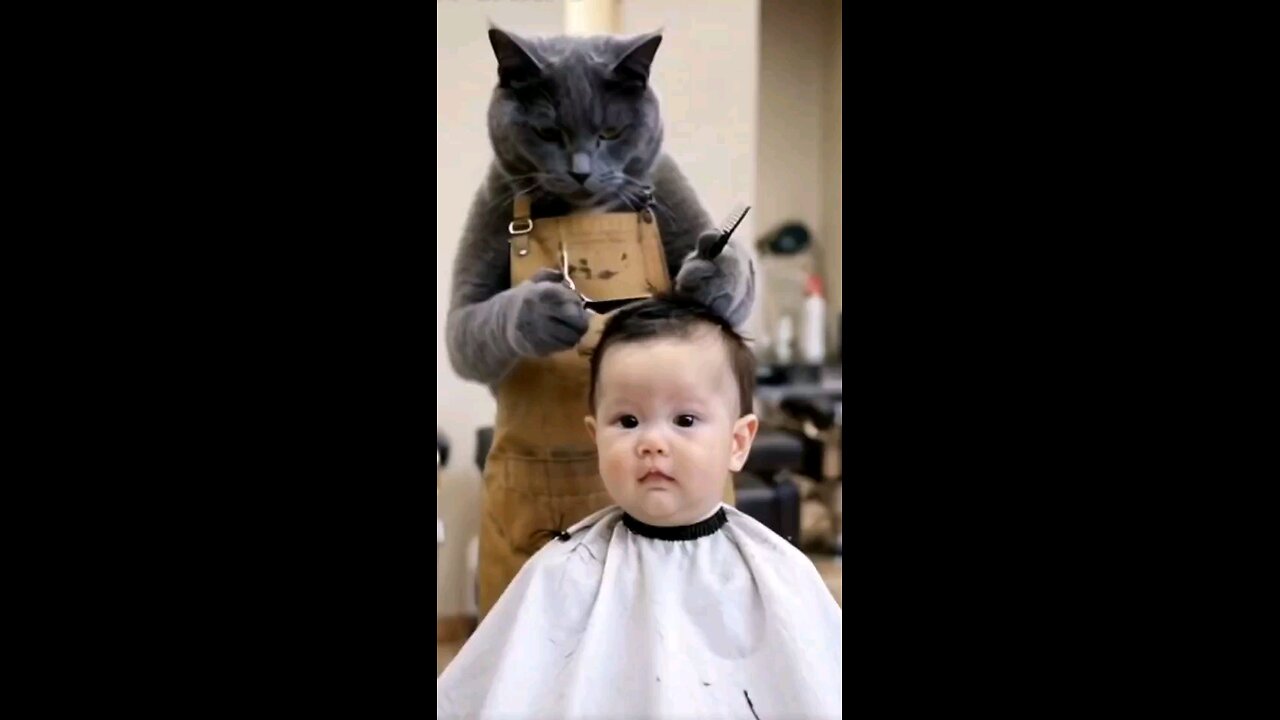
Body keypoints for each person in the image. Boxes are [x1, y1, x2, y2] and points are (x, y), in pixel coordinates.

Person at [437, 295, 840, 720]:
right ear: (596, 438)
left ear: (738, 442)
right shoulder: (561, 573)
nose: (652, 442)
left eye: (684, 420)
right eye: (628, 421)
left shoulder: (779, 575)